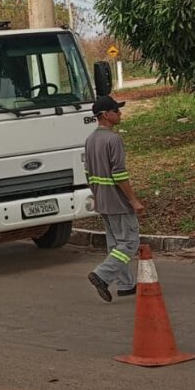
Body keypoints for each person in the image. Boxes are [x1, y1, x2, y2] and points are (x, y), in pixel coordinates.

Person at [84, 96, 145, 302]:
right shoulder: (113, 140)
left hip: (102, 199)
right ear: (105, 115)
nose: (120, 114)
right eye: (116, 111)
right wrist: (133, 200)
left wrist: (97, 195)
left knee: (115, 243)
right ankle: (102, 275)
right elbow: (119, 174)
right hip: (117, 201)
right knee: (129, 243)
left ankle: (126, 284)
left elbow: (88, 173)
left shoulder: (90, 140)